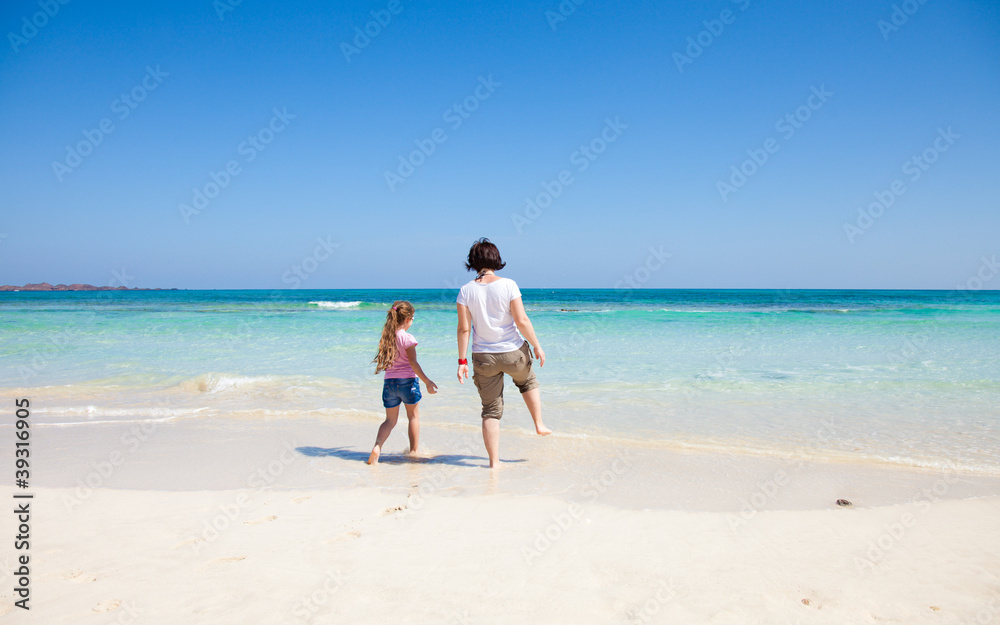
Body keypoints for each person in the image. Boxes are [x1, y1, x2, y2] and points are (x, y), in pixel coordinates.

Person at [456, 238, 551, 468]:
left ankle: (494, 462)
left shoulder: (465, 291)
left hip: (483, 357)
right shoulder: (509, 284)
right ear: (496, 260)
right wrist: (537, 345)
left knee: (490, 410)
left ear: (473, 262)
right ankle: (538, 423)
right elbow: (522, 320)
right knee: (527, 381)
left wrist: (461, 361)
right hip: (512, 353)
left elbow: (464, 328)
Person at [367, 301, 438, 465]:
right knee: (413, 416)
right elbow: (413, 363)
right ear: (407, 319)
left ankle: (377, 447)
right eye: (412, 318)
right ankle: (413, 452)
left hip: (389, 383)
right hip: (408, 382)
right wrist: (427, 381)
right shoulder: (408, 338)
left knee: (390, 421)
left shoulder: (388, 337)